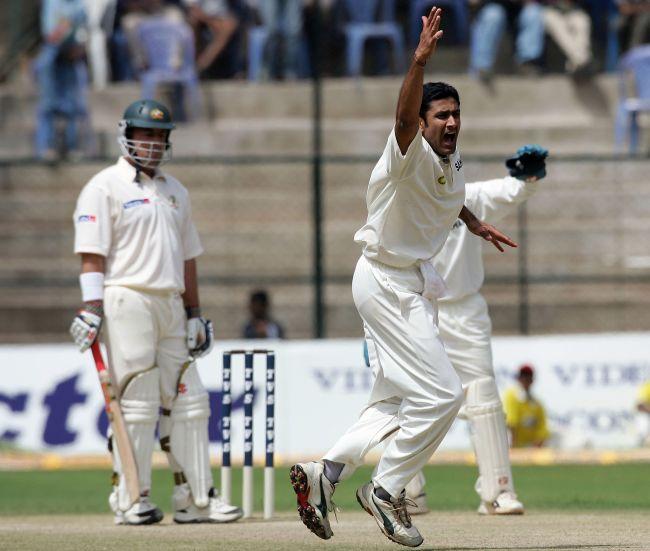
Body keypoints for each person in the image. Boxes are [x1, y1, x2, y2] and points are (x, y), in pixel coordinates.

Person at [289, 8, 517, 547]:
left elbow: (448, 194)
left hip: (406, 282)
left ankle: (328, 472)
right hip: (386, 281)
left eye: (456, 114)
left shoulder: (450, 161)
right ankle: (387, 488)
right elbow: (400, 120)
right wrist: (417, 63)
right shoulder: (406, 150)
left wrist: (474, 223)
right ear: (422, 120)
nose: (451, 123)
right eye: (440, 115)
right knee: (443, 396)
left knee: (393, 400)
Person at [69, 99, 242, 525]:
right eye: (145, 134)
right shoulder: (104, 186)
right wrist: (92, 308)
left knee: (191, 403)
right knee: (139, 404)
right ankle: (132, 498)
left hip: (171, 302)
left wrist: (195, 312)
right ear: (127, 135)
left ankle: (196, 499)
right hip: (127, 298)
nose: (152, 143)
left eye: (159, 136)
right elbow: (92, 253)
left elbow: (188, 257)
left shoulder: (174, 191)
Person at [401, 144, 548, 516]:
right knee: (410, 398)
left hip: (464, 311)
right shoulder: (402, 198)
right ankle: (405, 491)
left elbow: (515, 189)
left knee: (483, 396)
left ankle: (497, 491)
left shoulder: (473, 196)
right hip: (415, 308)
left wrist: (529, 174)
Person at [35, 0, 90, 161]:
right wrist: (67, 25)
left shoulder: (80, 5)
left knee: (74, 105)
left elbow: (84, 31)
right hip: (52, 56)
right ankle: (45, 148)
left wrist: (78, 46)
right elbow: (51, 35)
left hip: (72, 56)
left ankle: (73, 148)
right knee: (48, 105)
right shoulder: (51, 3)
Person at [470, 0, 545, 82]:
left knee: (533, 12)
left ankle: (527, 64)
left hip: (519, 9)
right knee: (492, 15)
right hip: (493, 7)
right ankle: (481, 67)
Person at [182, 0, 240, 76]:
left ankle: (199, 68)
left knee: (228, 27)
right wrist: (208, 20)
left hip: (219, 19)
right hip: (200, 18)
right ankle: (190, 66)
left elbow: (232, 13)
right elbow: (193, 9)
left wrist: (213, 22)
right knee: (193, 21)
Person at [503, 364, 551, 447]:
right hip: (514, 446)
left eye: (528, 378)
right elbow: (511, 423)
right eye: (523, 378)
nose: (525, 381)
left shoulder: (537, 403)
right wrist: (513, 449)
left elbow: (543, 429)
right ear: (519, 379)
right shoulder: (511, 396)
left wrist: (536, 447)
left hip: (530, 448)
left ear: (532, 381)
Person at [543, 0, 594, 76]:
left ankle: (578, 63)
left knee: (582, 21)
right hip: (548, 11)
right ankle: (581, 61)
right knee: (558, 25)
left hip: (570, 11)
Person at [635, 380, 650, 446]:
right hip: (647, 415)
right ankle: (644, 440)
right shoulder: (647, 386)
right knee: (643, 417)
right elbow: (639, 406)